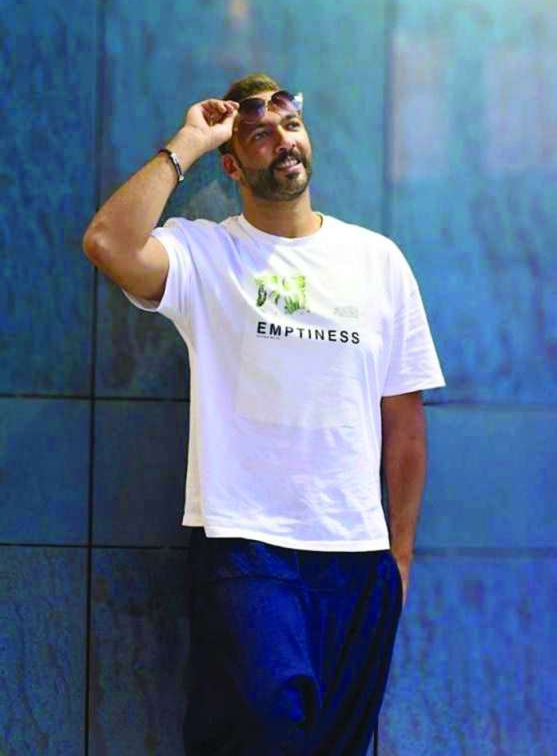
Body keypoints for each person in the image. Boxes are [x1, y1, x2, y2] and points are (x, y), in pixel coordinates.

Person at [82, 72, 446, 755]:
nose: (282, 140)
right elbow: (109, 242)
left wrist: (397, 559)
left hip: (357, 557)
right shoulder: (206, 251)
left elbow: (404, 423)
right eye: (257, 135)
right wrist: (189, 141)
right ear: (231, 164)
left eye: (291, 125)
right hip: (246, 544)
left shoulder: (378, 261)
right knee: (259, 727)